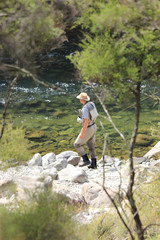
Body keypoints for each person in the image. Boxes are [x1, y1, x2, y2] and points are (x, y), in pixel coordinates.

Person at [74, 92, 98, 169]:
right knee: (91, 146)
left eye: (80, 99)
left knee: (77, 144)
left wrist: (82, 133)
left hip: (88, 128)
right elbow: (95, 115)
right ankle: (94, 164)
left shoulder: (85, 108)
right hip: (94, 126)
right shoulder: (92, 104)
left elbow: (86, 122)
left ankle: (86, 160)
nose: (79, 100)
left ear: (82, 99)